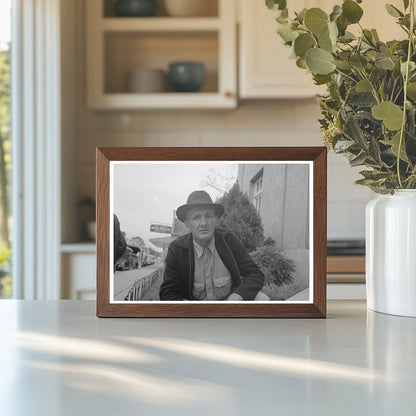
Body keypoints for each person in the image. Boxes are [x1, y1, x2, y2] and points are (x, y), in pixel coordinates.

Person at [159, 190, 267, 301]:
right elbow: (168, 292)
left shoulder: (229, 240)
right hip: (194, 312)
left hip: (229, 308)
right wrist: (191, 311)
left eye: (208, 216)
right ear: (187, 224)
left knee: (262, 299)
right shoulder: (177, 249)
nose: (204, 223)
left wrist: (238, 295)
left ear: (216, 220)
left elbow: (255, 274)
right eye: (196, 217)